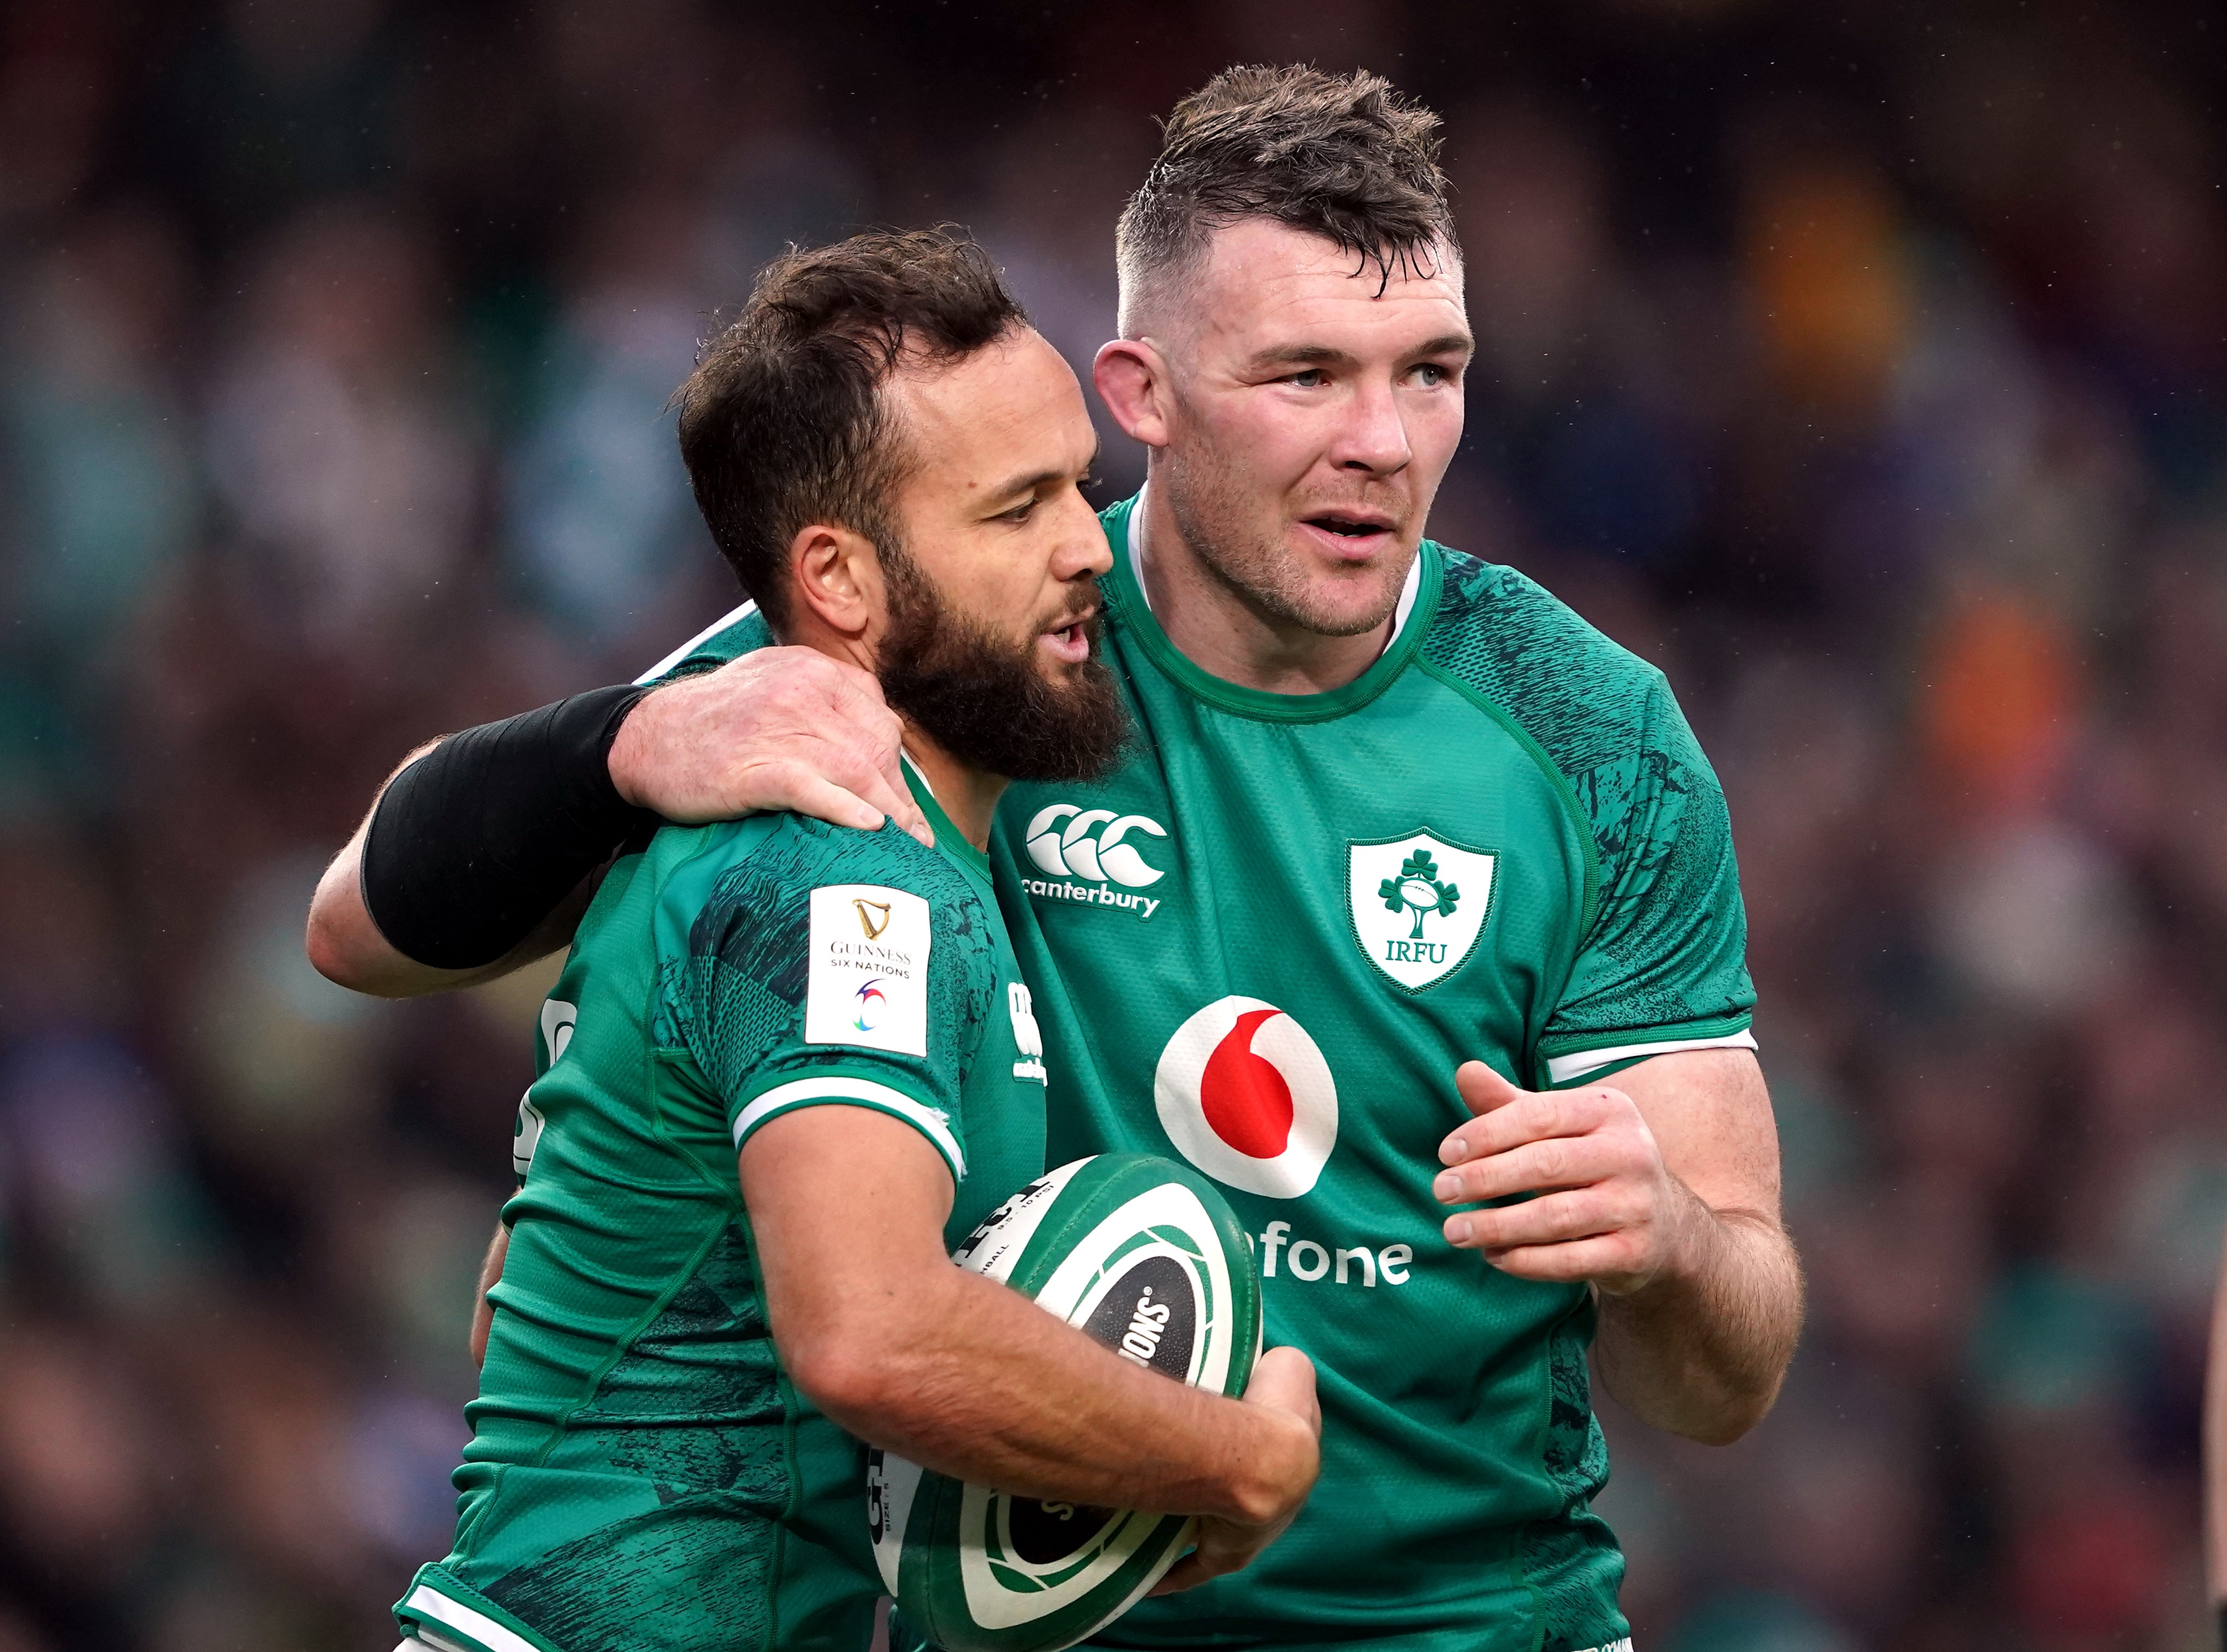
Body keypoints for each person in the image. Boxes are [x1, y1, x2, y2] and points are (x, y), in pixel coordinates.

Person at [317, 68, 1802, 1652]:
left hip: (1478, 1621)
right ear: (1139, 392)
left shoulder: (1586, 732)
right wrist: (612, 746)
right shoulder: (974, 658)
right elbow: (363, 924)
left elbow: (1724, 1383)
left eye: (1426, 372)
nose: (1380, 440)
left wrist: (1670, 1246)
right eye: (1302, 375)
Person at [382, 229, 1320, 1652]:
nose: (1086, 549)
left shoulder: (851, 841)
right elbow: (869, 1334)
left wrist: (1098, 1477)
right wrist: (1229, 1458)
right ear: (841, 581)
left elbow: (527, 1309)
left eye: (1081, 485)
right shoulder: (843, 872)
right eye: (1014, 512)